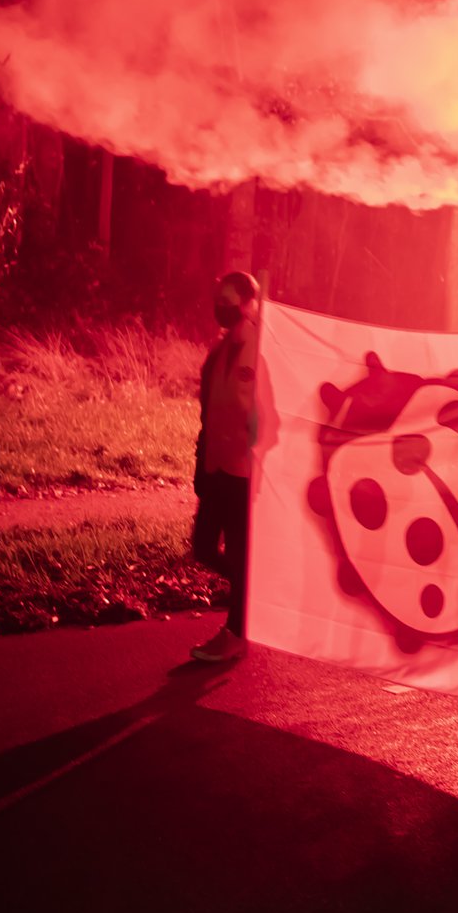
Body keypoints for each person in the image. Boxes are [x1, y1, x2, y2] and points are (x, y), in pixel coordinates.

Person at [189, 271, 262, 663]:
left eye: (232, 298)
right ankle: (252, 591)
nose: (224, 304)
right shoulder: (217, 352)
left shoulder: (262, 349)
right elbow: (208, 412)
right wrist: (201, 461)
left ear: (250, 303)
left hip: (245, 471)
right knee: (202, 547)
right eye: (221, 296)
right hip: (217, 466)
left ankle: (236, 632)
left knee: (238, 550)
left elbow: (270, 413)